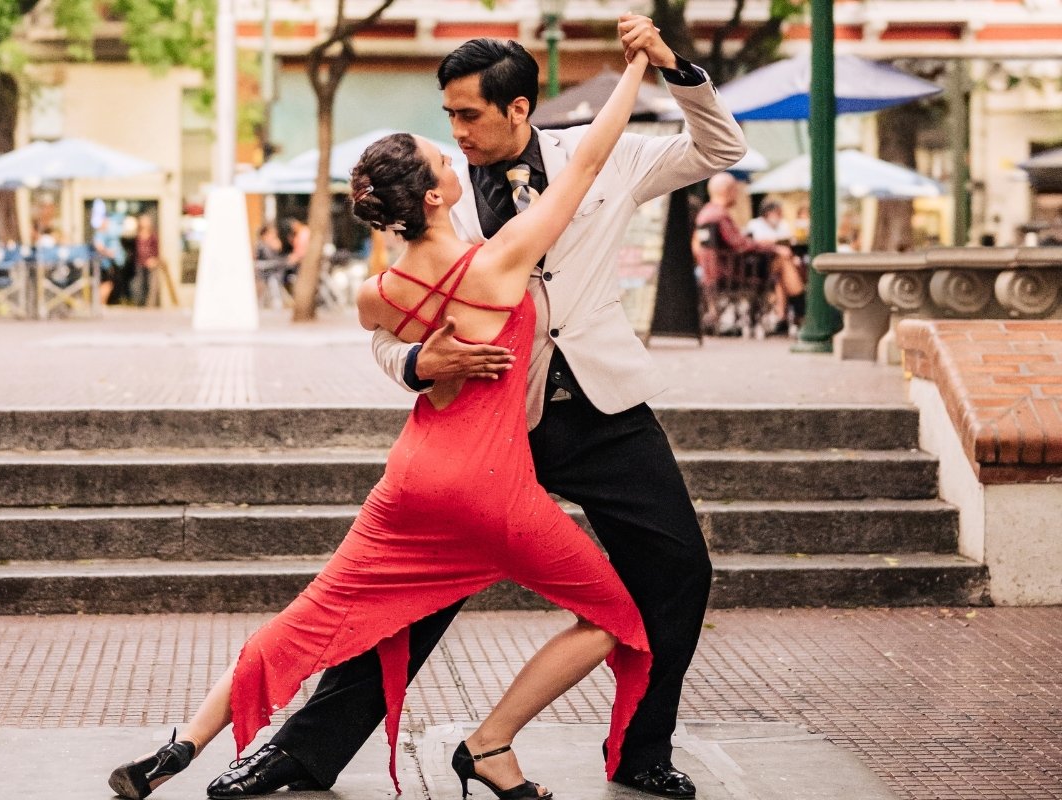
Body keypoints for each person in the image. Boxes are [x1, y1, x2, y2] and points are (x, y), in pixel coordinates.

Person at [109, 49, 656, 800]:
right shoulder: (499, 265)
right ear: (433, 198)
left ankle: (180, 745)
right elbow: (589, 161)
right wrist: (635, 68)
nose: (451, 150)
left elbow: (393, 345)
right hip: (492, 487)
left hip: (408, 486)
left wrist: (420, 362)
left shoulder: (376, 295)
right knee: (613, 620)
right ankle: (491, 745)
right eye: (441, 155)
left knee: (307, 619)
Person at [227, 20, 748, 800]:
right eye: (449, 118)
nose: (456, 132)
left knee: (679, 571)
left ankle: (642, 750)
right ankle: (303, 752)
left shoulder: (599, 156)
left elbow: (719, 150)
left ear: (519, 109)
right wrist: (414, 361)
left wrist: (675, 68)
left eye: (469, 115)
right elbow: (389, 324)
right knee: (415, 594)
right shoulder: (433, 196)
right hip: (488, 423)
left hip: (604, 408)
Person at [695, 172, 804, 333]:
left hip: (713, 271)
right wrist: (774, 247)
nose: (738, 194)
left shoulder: (705, 214)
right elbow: (740, 245)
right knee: (783, 259)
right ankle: (801, 312)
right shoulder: (720, 216)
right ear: (729, 190)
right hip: (731, 272)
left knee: (780, 267)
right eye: (736, 190)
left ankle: (783, 317)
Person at [134, 214, 161, 307]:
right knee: (141, 284)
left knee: (151, 284)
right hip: (140, 263)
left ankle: (150, 304)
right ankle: (141, 303)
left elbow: (156, 250)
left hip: (151, 264)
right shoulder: (137, 235)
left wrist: (154, 260)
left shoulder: (153, 236)